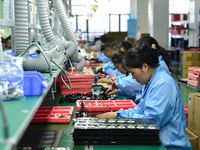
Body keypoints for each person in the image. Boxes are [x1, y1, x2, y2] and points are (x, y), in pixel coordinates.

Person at [96, 45, 191, 149]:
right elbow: (141, 109)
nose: (132, 77)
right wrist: (117, 114)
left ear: (145, 67)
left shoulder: (163, 84)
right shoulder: (151, 81)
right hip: (157, 140)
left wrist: (119, 117)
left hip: (169, 146)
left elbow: (151, 121)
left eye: (132, 73)